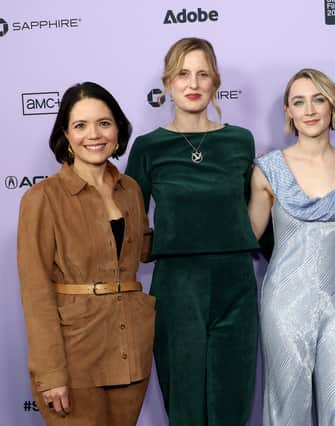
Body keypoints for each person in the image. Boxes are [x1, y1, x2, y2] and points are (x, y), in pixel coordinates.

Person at [125, 37, 259, 425]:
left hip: (236, 282)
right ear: (168, 82)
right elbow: (130, 222)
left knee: (232, 404)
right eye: (183, 73)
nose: (193, 82)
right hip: (177, 285)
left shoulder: (240, 140)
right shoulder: (148, 147)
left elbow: (256, 211)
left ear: (215, 81)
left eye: (202, 73)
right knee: (185, 406)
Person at [17, 82, 154, 426]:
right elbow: (36, 294)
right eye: (80, 125)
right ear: (66, 134)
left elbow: (143, 249)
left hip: (129, 350)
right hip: (75, 357)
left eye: (104, 123)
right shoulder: (42, 199)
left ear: (118, 131)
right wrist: (50, 374)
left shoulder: (131, 190)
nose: (94, 134)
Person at [249, 68, 335, 426]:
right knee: (287, 407)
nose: (309, 110)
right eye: (299, 102)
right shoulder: (268, 169)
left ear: (332, 105)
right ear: (288, 112)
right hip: (284, 302)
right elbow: (245, 235)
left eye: (318, 99)